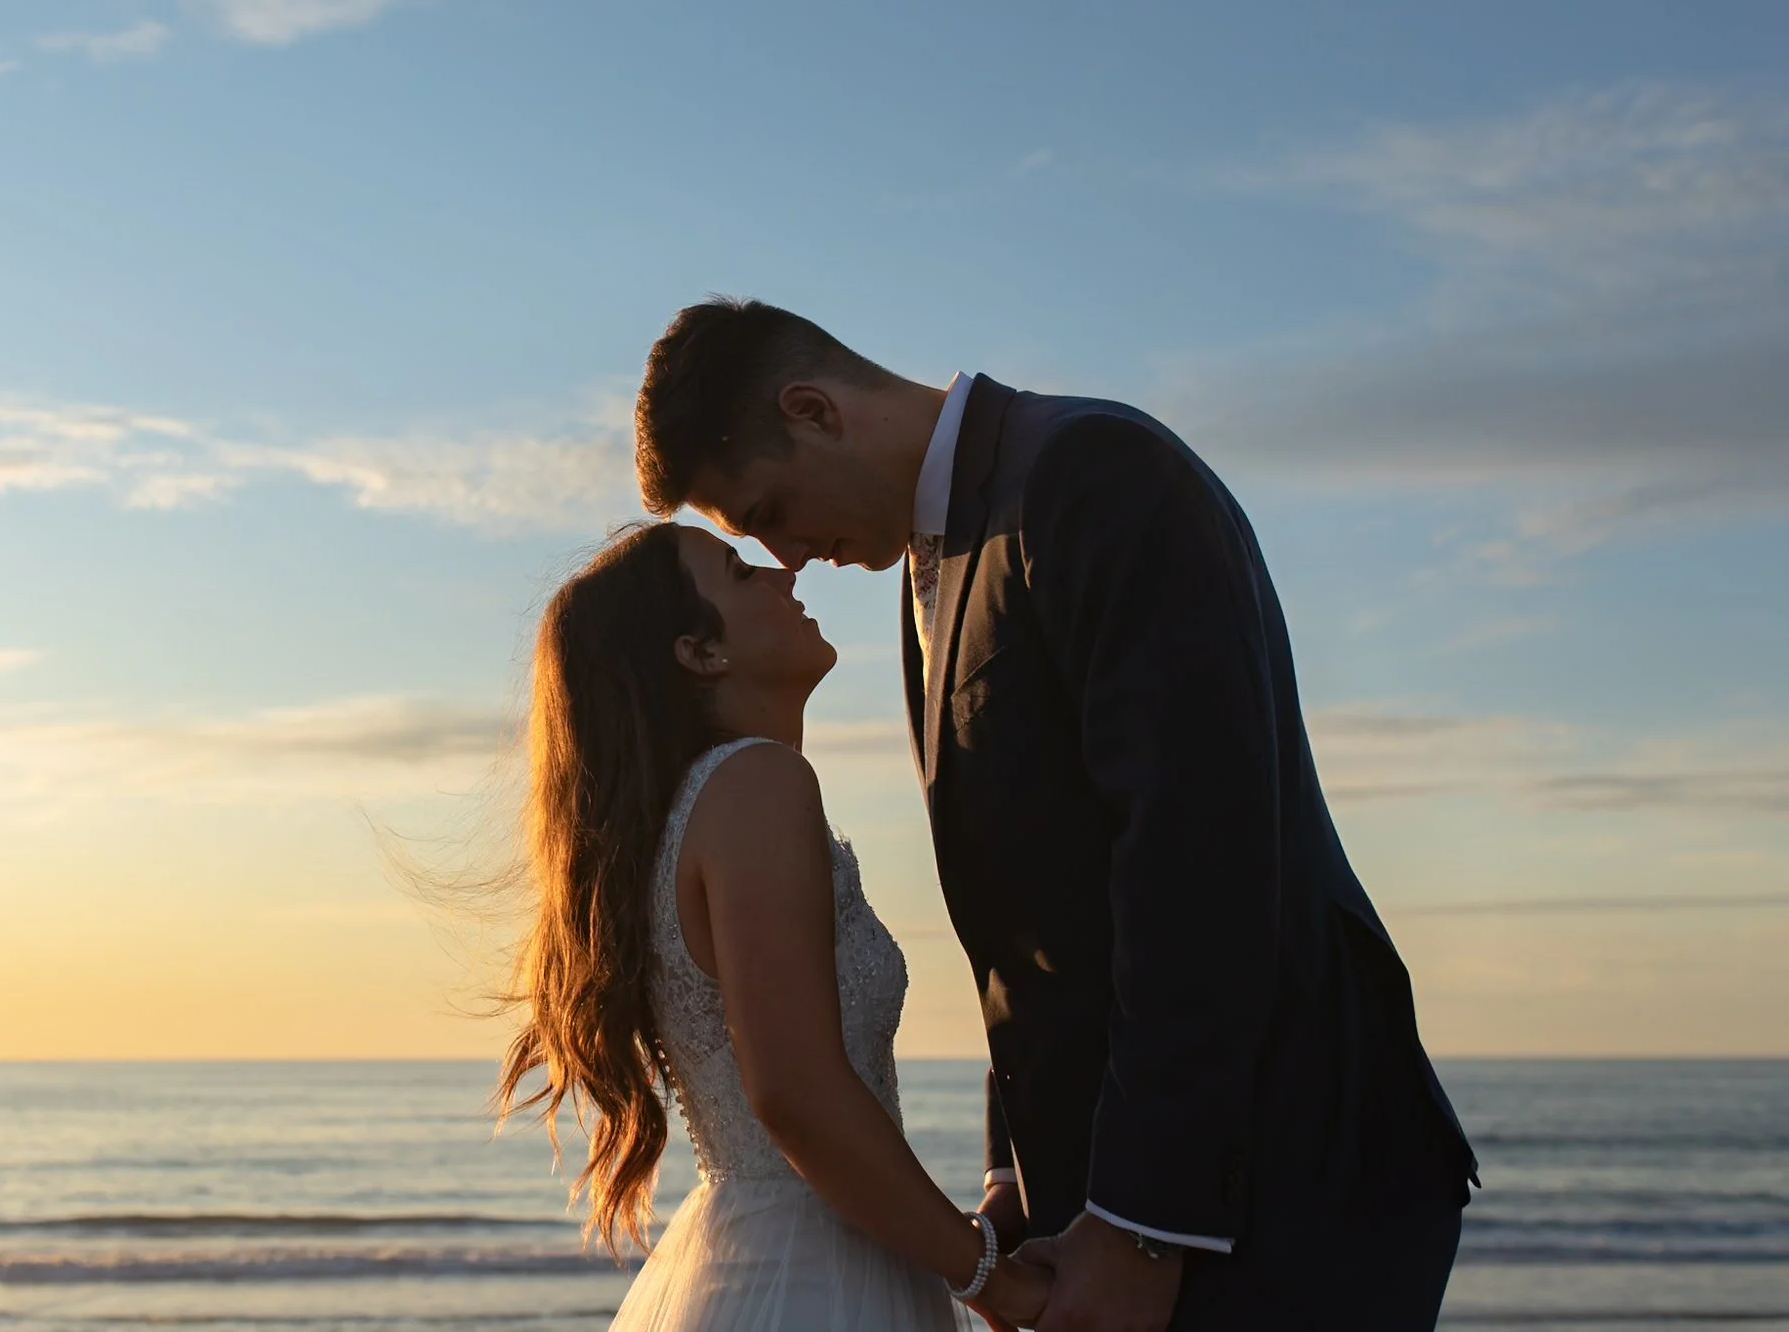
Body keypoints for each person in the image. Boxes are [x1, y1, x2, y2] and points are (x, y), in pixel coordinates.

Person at [629, 299, 1479, 1332]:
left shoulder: (1089, 473)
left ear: (812, 409)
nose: (788, 555)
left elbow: (1194, 864)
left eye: (766, 509)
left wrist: (1142, 1226)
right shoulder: (932, 571)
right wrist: (1014, 1173)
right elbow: (1023, 928)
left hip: (1275, 1182)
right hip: (1117, 1194)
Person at [498, 521, 1053, 1330]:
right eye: (737, 570)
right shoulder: (756, 782)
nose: (782, 576)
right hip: (813, 1272)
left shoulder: (696, 811)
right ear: (700, 650)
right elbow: (794, 1090)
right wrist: (988, 1279)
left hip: (783, 1254)